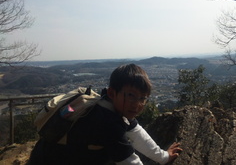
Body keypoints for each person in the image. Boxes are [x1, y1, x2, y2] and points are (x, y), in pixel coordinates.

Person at [29, 64, 182, 165]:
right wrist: (164, 158)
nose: (137, 104)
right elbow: (129, 161)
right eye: (130, 96)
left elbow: (136, 132)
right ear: (112, 93)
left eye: (142, 98)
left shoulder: (107, 104)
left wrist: (164, 157)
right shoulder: (107, 122)